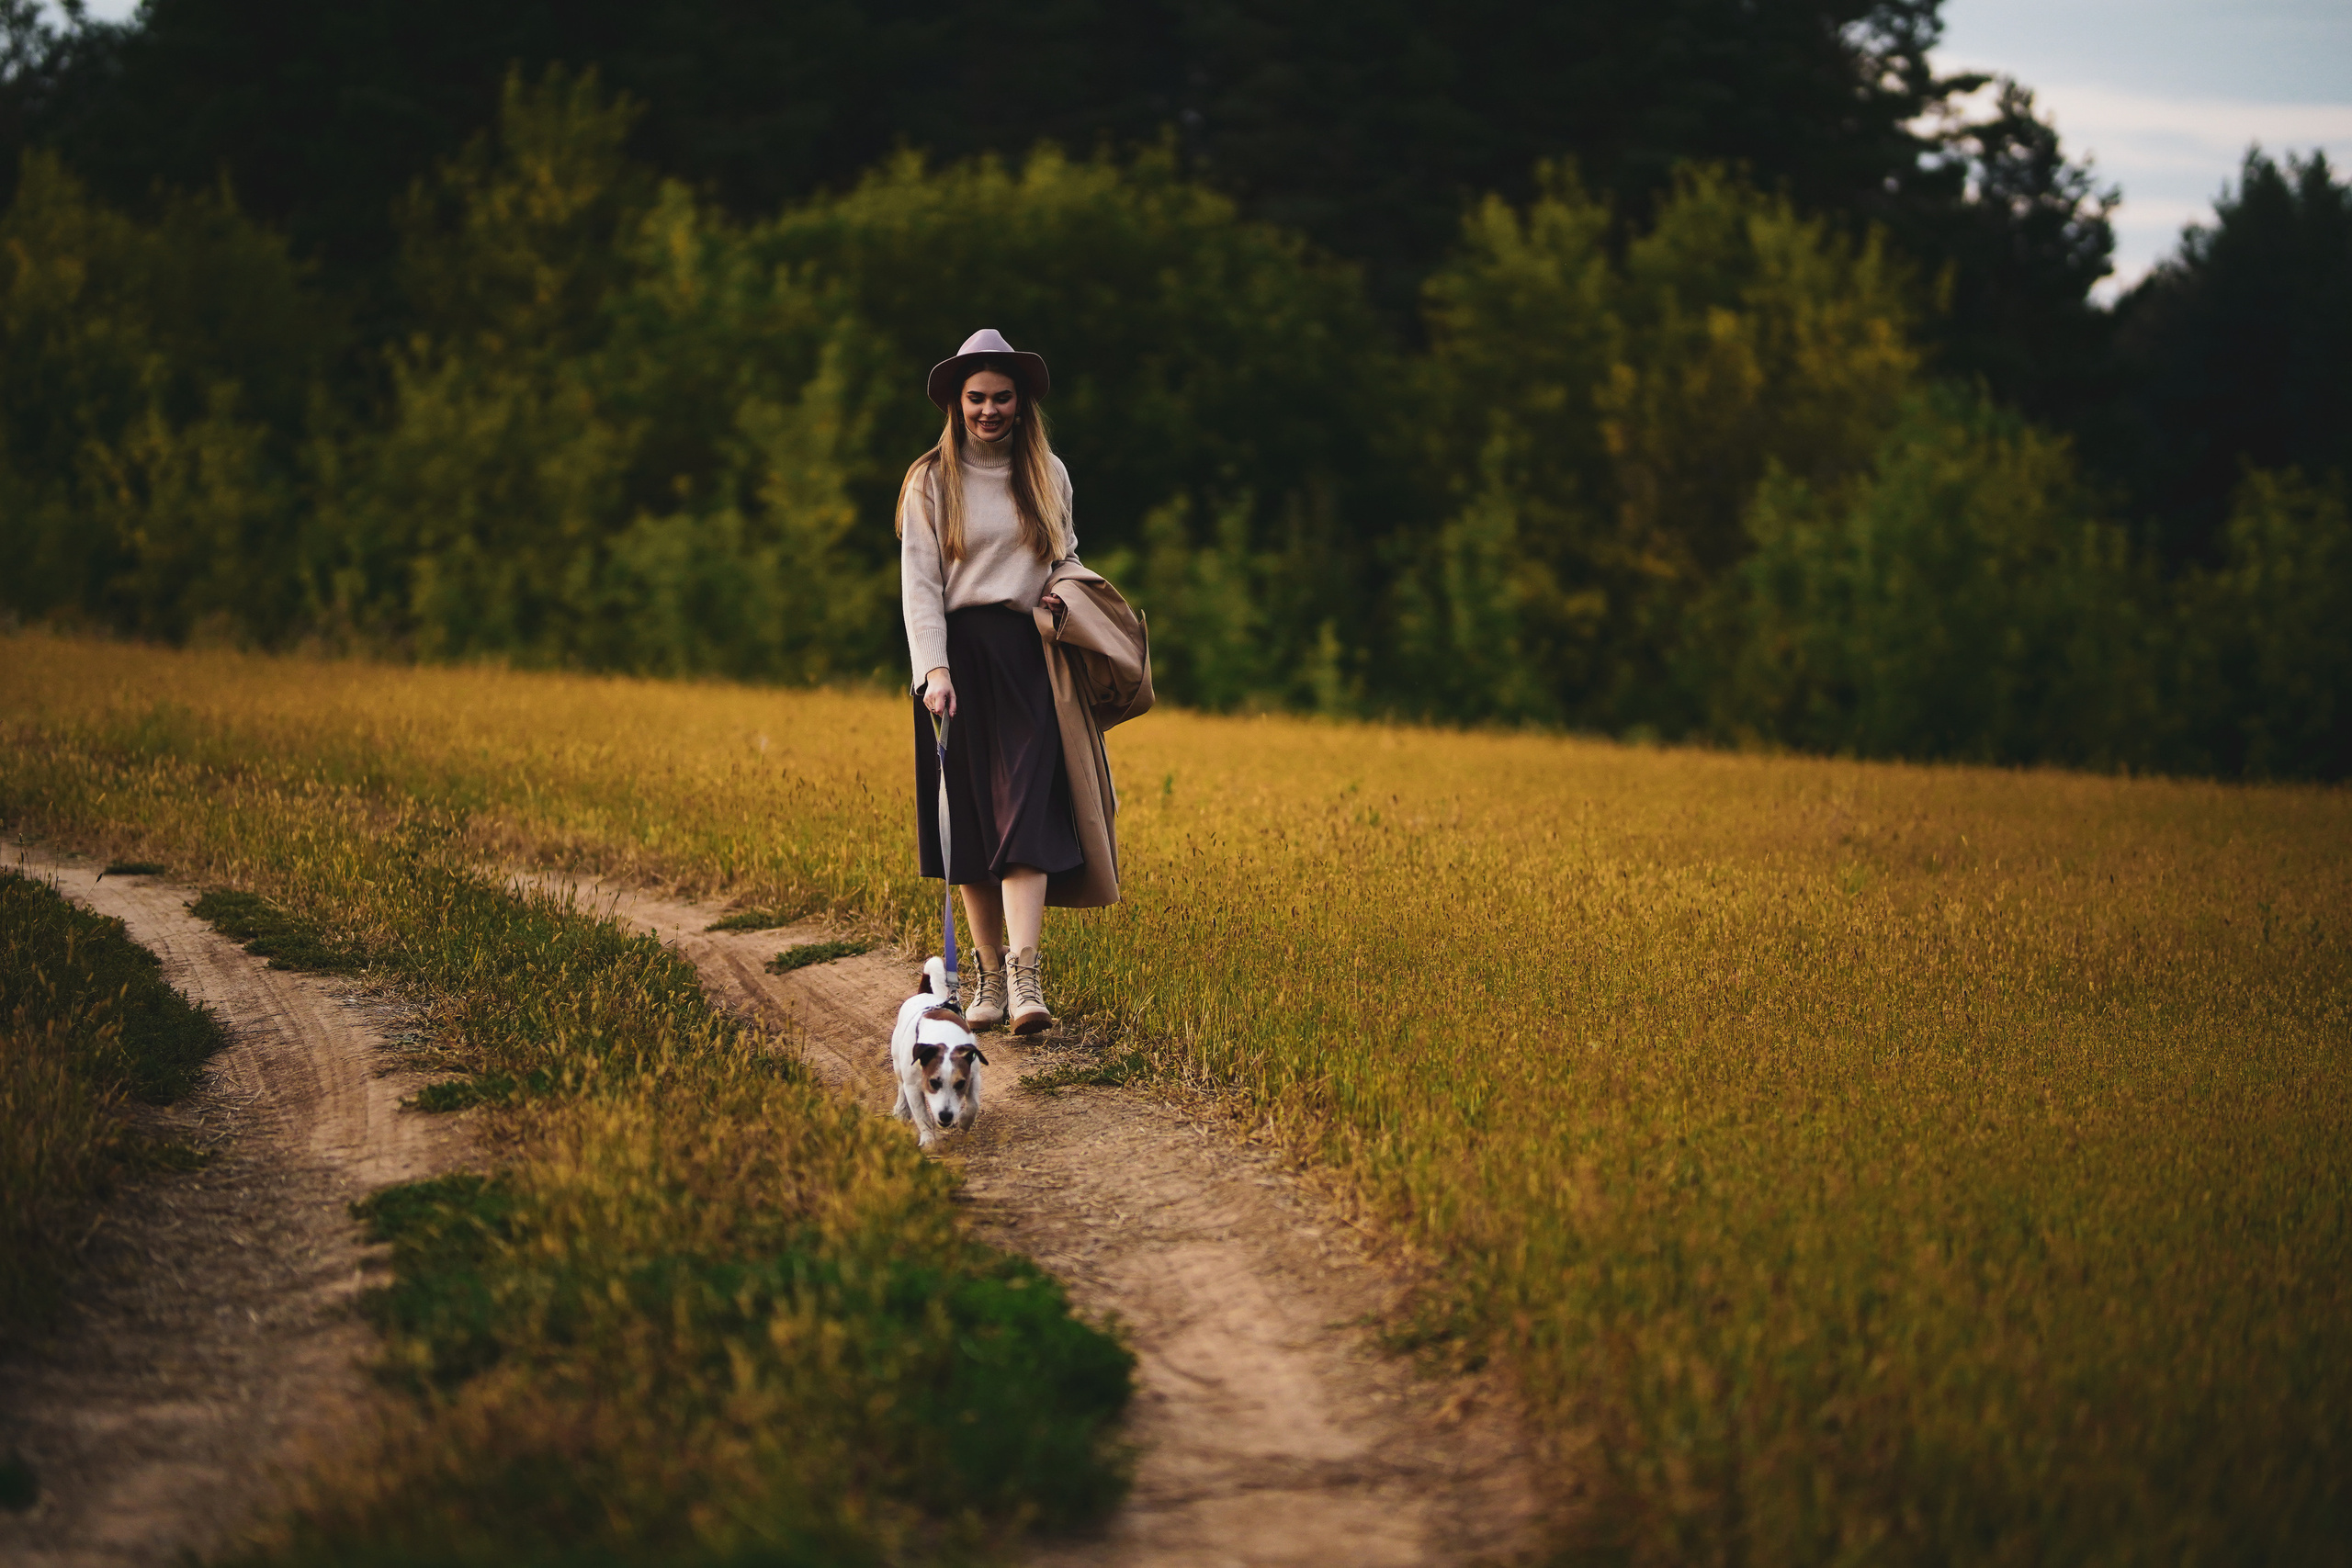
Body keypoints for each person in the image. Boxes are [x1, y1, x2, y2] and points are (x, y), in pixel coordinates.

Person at [899, 329, 1083, 1035]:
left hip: (1030, 656)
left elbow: (1066, 558)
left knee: (1026, 814)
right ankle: (986, 976)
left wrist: (1066, 595)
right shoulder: (930, 480)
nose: (989, 410)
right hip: (956, 659)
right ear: (957, 402)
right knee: (969, 822)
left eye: (1002, 398)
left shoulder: (1046, 474)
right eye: (977, 398)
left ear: (1021, 402)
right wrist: (933, 670)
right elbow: (919, 583)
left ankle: (1028, 979)